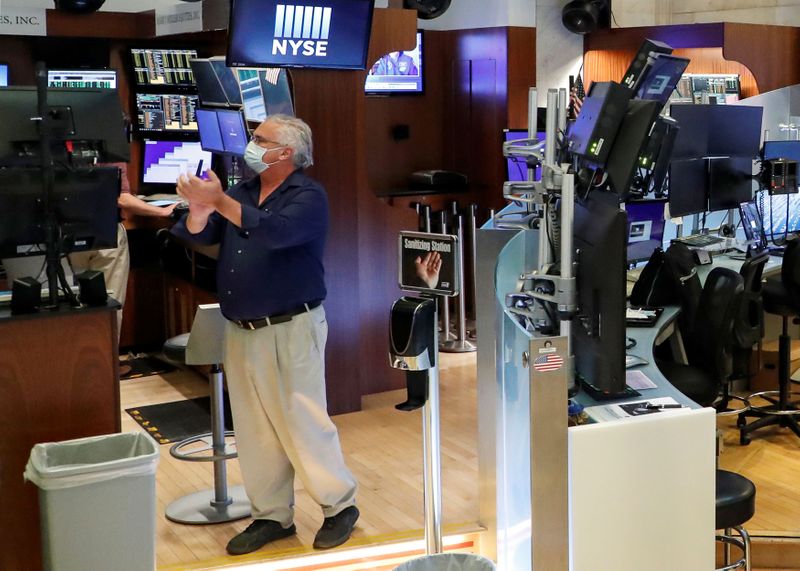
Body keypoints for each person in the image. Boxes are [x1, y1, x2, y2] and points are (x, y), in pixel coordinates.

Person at [171, 114, 359, 555]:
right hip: (241, 329)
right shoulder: (244, 191)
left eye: (260, 139)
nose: (250, 145)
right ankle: (272, 515)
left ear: (286, 152)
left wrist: (220, 202)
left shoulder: (308, 196)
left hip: (291, 327)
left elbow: (275, 234)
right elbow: (201, 234)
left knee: (303, 422)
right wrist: (201, 210)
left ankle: (339, 506)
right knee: (254, 431)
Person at [2, 162, 177, 341]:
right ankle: (107, 363)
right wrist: (162, 211)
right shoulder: (106, 142)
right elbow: (120, 198)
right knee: (109, 303)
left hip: (61, 234)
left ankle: (73, 361)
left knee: (65, 306)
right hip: (104, 231)